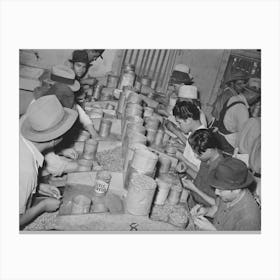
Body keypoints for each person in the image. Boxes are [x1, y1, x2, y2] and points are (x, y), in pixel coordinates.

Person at [20, 95, 78, 228]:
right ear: (54, 139)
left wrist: (38, 187)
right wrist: (43, 206)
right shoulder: (26, 170)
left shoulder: (22, 140)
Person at [189, 157, 261, 231]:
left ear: (236, 190)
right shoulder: (226, 195)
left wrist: (213, 230)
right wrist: (205, 211)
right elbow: (216, 209)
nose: (216, 192)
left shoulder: (249, 218)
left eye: (220, 190)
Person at [210, 77, 260, 153]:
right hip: (228, 144)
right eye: (256, 98)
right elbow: (243, 136)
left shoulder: (234, 98)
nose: (255, 100)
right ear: (253, 95)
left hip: (219, 136)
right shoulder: (242, 109)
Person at [182, 129, 224, 207]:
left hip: (203, 210)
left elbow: (216, 204)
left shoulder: (220, 169)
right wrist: (186, 169)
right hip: (192, 200)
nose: (196, 156)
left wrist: (194, 189)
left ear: (209, 150)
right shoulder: (207, 159)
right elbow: (201, 179)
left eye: (199, 154)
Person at [170, 101, 207, 176]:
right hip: (185, 171)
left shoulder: (202, 138)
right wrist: (180, 147)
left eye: (179, 123)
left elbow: (200, 172)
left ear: (188, 120)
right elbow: (192, 156)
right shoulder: (193, 132)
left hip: (193, 179)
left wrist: (182, 158)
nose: (178, 126)